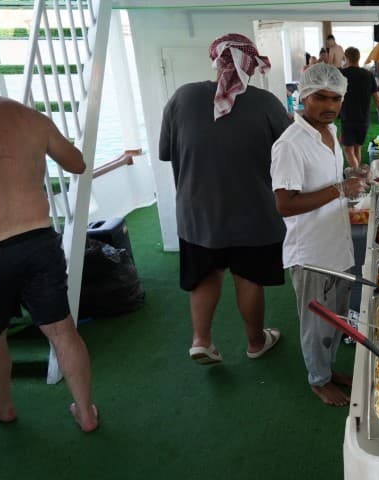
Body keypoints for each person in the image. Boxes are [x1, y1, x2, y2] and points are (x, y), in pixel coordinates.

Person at [159, 33, 288, 366]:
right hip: (253, 213)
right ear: (251, 62)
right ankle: (256, 342)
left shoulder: (182, 97)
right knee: (248, 278)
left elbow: (165, 152)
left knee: (205, 275)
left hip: (197, 214)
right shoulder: (266, 103)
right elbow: (291, 154)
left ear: (214, 60)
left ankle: (201, 340)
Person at [0, 66, 98, 432]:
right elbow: (77, 163)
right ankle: (86, 413)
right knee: (62, 331)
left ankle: (3, 406)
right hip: (36, 240)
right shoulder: (30, 117)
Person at [270, 63, 368, 407]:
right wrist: (341, 188)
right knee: (316, 322)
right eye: (320, 98)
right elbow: (284, 203)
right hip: (311, 251)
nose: (329, 106)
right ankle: (318, 380)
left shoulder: (328, 133)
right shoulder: (290, 144)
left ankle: (328, 370)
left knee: (335, 318)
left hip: (336, 243)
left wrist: (350, 175)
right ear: (303, 97)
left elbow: (327, 181)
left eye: (336, 98)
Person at [339, 46, 379, 168]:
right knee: (357, 147)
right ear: (358, 58)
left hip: (348, 117)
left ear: (346, 58)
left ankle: (356, 172)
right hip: (363, 119)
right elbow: (377, 97)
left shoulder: (341, 74)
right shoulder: (368, 75)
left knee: (347, 149)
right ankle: (357, 170)